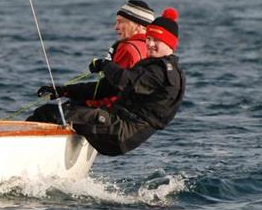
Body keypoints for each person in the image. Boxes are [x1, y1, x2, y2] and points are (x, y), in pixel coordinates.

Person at [29, 8, 185, 156]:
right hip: (118, 126)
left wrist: (105, 65)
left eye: (156, 40)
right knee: (70, 106)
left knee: (50, 113)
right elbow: (107, 88)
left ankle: (22, 156)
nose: (150, 44)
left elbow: (124, 81)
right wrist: (63, 91)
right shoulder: (154, 65)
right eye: (149, 39)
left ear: (169, 43)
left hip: (121, 132)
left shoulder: (161, 72)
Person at [39, 0, 155, 109]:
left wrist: (64, 91)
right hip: (134, 111)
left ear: (138, 25)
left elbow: (108, 90)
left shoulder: (128, 48)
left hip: (111, 113)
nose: (116, 27)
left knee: (45, 113)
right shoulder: (150, 48)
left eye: (120, 22)